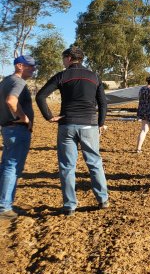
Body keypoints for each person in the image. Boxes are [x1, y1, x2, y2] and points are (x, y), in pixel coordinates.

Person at [36, 46, 109, 216]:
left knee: (67, 167)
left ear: (69, 58)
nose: (63, 61)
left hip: (67, 125)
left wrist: (49, 117)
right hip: (89, 125)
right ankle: (103, 199)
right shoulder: (94, 76)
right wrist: (100, 123)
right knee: (94, 163)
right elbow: (103, 103)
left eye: (63, 58)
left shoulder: (62, 76)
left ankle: (69, 206)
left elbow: (40, 96)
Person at [0, 55, 36, 220]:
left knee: (6, 166)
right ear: (19, 66)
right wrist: (24, 118)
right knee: (12, 168)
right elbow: (11, 101)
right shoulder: (18, 82)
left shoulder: (6, 81)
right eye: (30, 66)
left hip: (7, 128)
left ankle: (3, 203)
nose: (34, 69)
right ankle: (4, 207)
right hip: (17, 130)